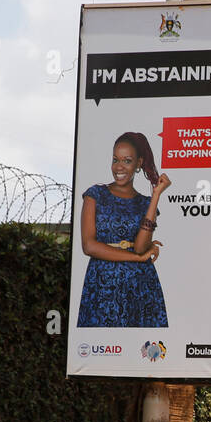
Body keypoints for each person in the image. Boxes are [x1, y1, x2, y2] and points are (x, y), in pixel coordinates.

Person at [77, 131, 171, 327]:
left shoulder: (145, 203)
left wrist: (155, 197)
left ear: (138, 163)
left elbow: (140, 247)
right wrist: (137, 258)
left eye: (127, 161)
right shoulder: (95, 194)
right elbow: (89, 246)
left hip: (140, 286)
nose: (119, 167)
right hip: (102, 287)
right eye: (115, 159)